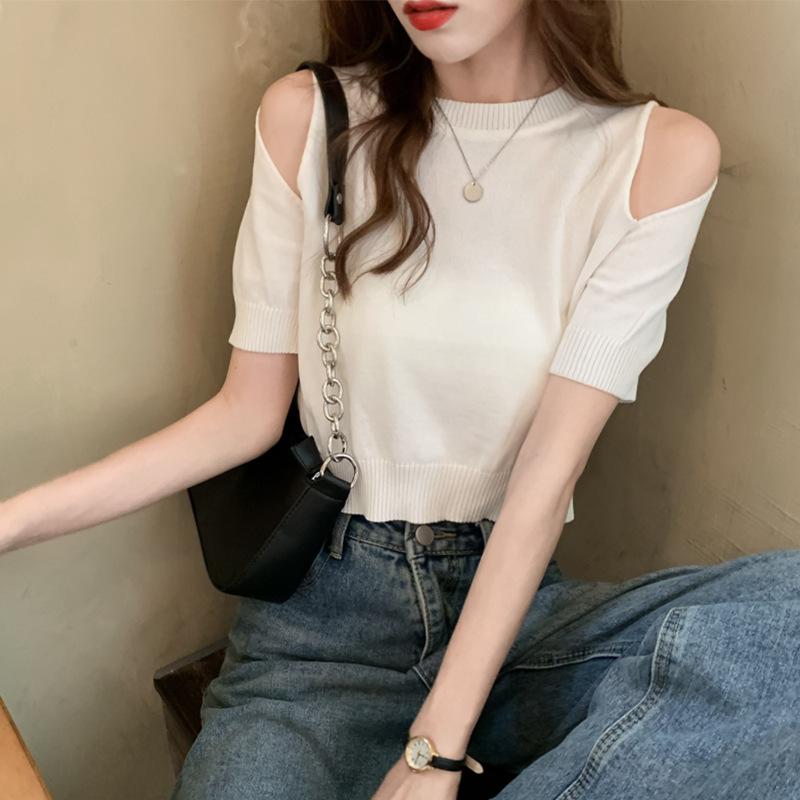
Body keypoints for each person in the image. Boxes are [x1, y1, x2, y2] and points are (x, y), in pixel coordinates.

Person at [2, 1, 798, 799]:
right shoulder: (312, 118)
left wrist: (433, 753)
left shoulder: (655, 156)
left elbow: (544, 479)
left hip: (511, 622)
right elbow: (245, 414)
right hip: (320, 637)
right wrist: (13, 522)